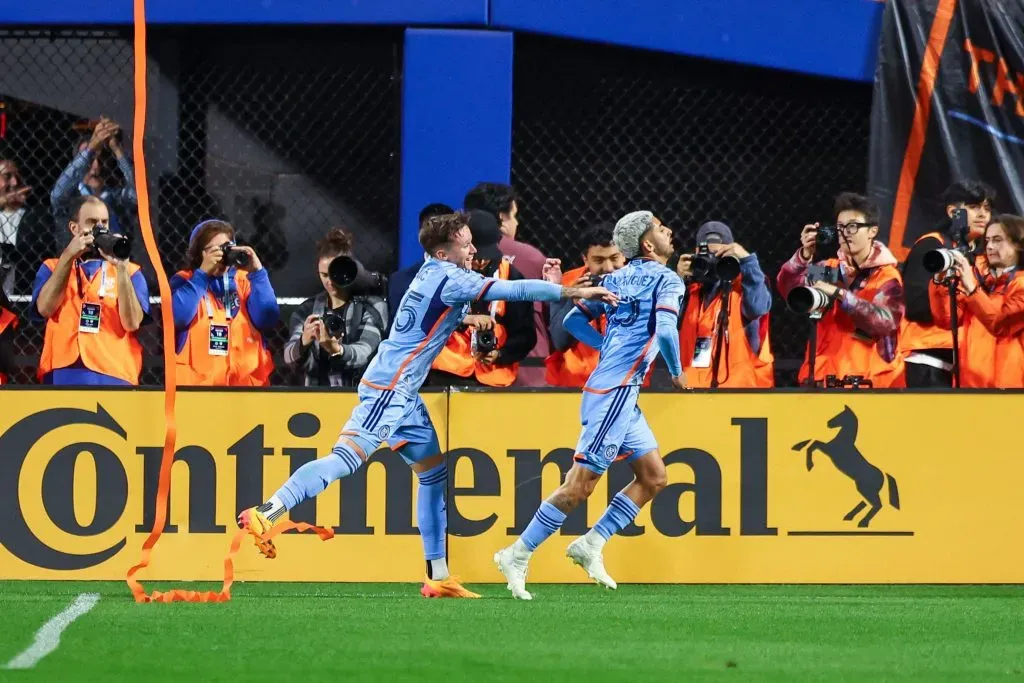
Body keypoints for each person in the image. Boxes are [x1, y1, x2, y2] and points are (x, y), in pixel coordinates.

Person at [237, 212, 616, 599]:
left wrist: (464, 318)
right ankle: (266, 512)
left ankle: (438, 575)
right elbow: (514, 292)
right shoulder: (452, 277)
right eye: (465, 244)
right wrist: (574, 292)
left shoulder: (427, 273)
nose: (472, 250)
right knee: (344, 460)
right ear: (442, 251)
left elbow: (427, 317)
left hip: (405, 393)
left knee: (434, 475)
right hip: (389, 390)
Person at [494, 210, 687, 601]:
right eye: (660, 228)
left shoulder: (615, 279)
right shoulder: (667, 280)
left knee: (654, 477)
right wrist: (678, 372)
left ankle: (590, 544)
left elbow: (572, 325)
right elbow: (666, 330)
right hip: (614, 394)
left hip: (617, 391)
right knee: (580, 485)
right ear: (648, 245)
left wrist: (606, 349)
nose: (668, 231)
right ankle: (517, 553)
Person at [777, 192, 906, 388]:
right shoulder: (828, 269)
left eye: (853, 226)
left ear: (872, 231)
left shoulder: (887, 275)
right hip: (824, 378)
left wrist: (840, 294)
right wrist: (803, 256)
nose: (845, 233)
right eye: (841, 227)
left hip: (870, 382)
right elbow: (789, 290)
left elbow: (885, 322)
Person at [31, 195, 149, 385]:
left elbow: (132, 322)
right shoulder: (52, 267)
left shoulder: (131, 271)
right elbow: (45, 308)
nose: (100, 228)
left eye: (104, 222)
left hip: (114, 372)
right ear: (74, 228)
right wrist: (69, 255)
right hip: (62, 371)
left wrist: (121, 268)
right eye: (92, 222)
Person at [901, 181, 994, 388]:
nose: (982, 215)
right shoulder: (932, 246)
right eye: (973, 207)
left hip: (969, 359)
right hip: (929, 358)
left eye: (986, 209)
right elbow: (916, 306)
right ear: (953, 212)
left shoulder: (983, 257)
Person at [430, 210, 535, 387]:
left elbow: (525, 335)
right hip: (447, 371)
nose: (480, 262)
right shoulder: (440, 275)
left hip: (494, 375)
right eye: (475, 257)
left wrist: (500, 354)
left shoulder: (512, 277)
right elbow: (429, 319)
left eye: (487, 257)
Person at [170, 220, 279, 386]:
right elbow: (178, 317)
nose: (221, 256)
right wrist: (202, 275)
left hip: (248, 390)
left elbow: (268, 318)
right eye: (213, 250)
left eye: (226, 248)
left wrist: (258, 273)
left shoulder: (245, 281)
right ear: (198, 253)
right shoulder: (184, 281)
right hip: (198, 391)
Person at [464, 182, 552, 386]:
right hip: (529, 371)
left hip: (498, 371)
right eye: (514, 215)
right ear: (502, 218)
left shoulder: (511, 271)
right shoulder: (532, 258)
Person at [928, 215, 1024, 388]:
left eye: (998, 240)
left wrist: (972, 289)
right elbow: (946, 320)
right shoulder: (979, 281)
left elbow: (1000, 324)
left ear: (1018, 244)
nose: (990, 247)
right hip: (970, 384)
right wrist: (939, 283)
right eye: (987, 241)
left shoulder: (1018, 284)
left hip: (1012, 390)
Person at [284, 228, 388, 387]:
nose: (329, 282)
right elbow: (288, 356)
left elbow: (366, 352)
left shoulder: (371, 306)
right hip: (317, 393)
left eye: (333, 275)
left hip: (361, 395)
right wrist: (303, 342)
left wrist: (336, 349)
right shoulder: (307, 310)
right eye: (324, 275)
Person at [676, 221, 774, 387]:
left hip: (739, 396)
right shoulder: (690, 291)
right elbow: (662, 323)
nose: (712, 263)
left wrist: (747, 260)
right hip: (692, 394)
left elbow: (758, 307)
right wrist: (678, 280)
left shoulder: (745, 289)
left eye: (718, 256)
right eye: (706, 256)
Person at [545, 222, 625, 387]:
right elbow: (559, 342)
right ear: (585, 259)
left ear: (624, 255)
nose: (608, 268)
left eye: (614, 258)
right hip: (575, 385)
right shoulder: (568, 283)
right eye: (599, 260)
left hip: (625, 383)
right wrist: (575, 301)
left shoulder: (641, 284)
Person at [50, 117, 137, 239]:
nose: (96, 166)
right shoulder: (69, 200)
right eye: (90, 160)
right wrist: (91, 147)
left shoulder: (117, 198)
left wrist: (117, 149)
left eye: (101, 159)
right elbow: (58, 193)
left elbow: (140, 191)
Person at [387, 203, 453, 325]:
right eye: (429, 230)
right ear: (420, 235)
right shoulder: (400, 281)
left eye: (442, 230)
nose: (435, 237)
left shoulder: (471, 277)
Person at [0, 157, 54, 296]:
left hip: (21, 294)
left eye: (18, 176)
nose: (15, 182)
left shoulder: (38, 217)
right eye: (7, 176)